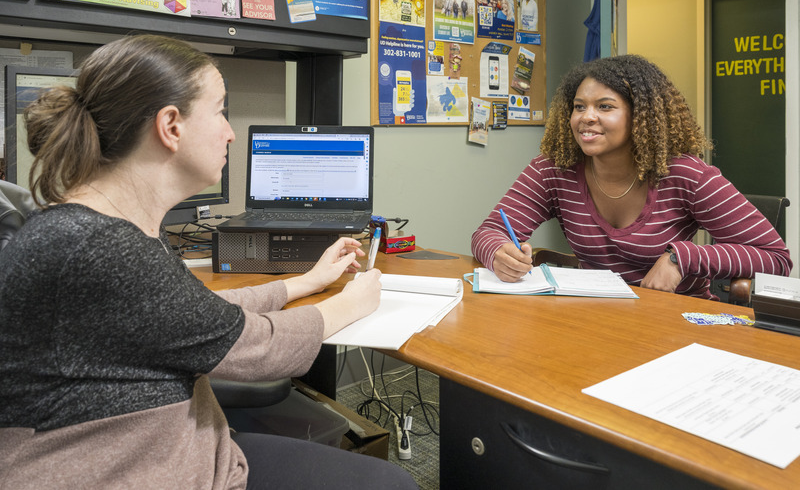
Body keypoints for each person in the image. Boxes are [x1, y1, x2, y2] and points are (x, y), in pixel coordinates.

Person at [0, 34, 418, 490]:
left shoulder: (95, 228)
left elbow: (198, 313)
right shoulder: (101, 248)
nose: (231, 131)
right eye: (220, 109)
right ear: (171, 126)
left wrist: (305, 282)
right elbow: (258, 349)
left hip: (168, 451)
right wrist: (353, 302)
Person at [471, 54, 792, 300]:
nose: (587, 117)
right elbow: (490, 231)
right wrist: (498, 253)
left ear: (642, 116)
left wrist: (682, 258)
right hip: (596, 320)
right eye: (579, 106)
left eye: (605, 106)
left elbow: (775, 258)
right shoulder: (554, 169)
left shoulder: (686, 174)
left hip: (677, 324)